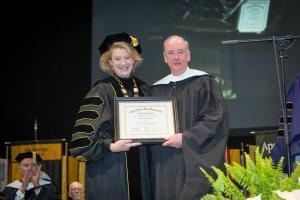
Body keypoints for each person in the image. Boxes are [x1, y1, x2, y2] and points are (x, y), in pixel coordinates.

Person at [69, 32, 151, 200]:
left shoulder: (145, 89)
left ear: (134, 59)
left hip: (142, 168)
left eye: (127, 57)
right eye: (117, 59)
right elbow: (82, 139)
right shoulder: (101, 90)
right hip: (111, 168)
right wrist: (111, 146)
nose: (123, 63)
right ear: (109, 62)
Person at [149, 35, 229, 199]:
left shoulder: (205, 83)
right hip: (166, 161)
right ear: (165, 58)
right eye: (171, 53)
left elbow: (214, 119)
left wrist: (185, 138)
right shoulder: (156, 89)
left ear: (189, 55)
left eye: (181, 52)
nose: (176, 57)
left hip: (196, 157)